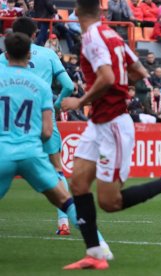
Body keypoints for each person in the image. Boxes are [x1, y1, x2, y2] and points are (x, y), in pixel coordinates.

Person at [61, 0, 161, 270]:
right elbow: (139, 71)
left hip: (113, 123)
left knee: (109, 202)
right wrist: (118, 91)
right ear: (99, 11)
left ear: (76, 12)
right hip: (99, 121)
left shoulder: (91, 37)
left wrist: (80, 102)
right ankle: (95, 254)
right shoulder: (112, 35)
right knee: (78, 184)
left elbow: (107, 78)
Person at [0, 32, 112, 263]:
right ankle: (99, 246)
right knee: (65, 199)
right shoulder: (40, 85)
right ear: (29, 54)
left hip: (2, 151)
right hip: (31, 152)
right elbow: (47, 132)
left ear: (6, 54)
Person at [0, 17, 75, 235]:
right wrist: (58, 104)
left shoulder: (4, 57)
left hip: (10, 126)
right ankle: (64, 222)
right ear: (35, 35)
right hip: (43, 117)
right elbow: (69, 85)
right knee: (57, 169)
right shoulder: (49, 54)